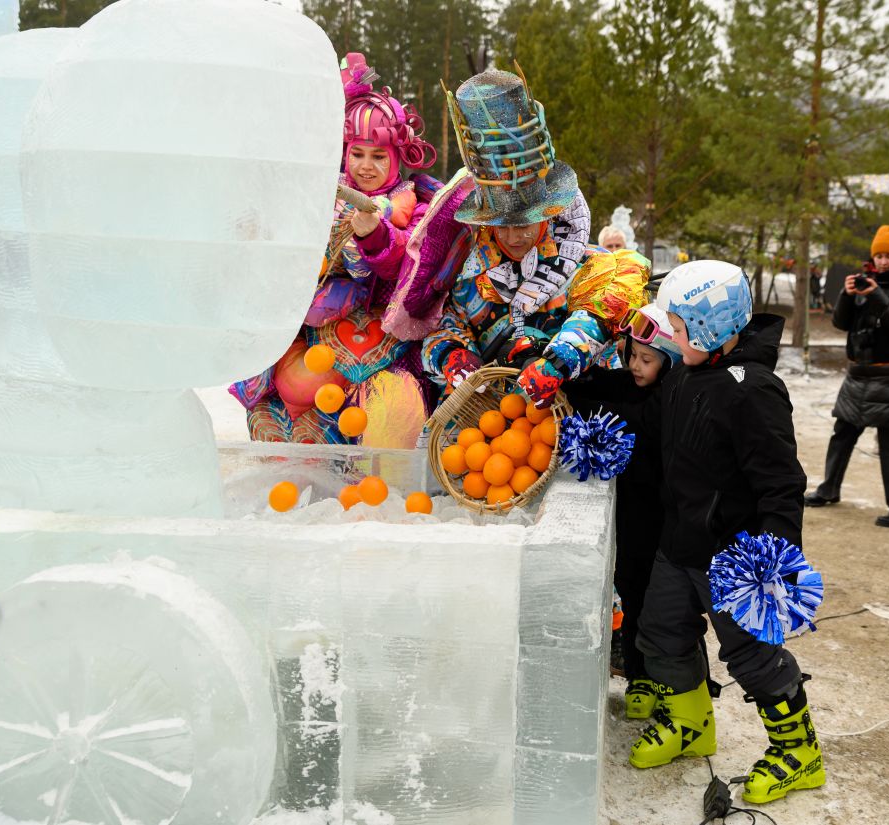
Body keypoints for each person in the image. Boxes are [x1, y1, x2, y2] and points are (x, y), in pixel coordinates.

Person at [629, 260, 823, 805]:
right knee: (660, 635)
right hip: (678, 545)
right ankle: (692, 724)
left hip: (734, 559)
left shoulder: (753, 390)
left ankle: (798, 751)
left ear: (712, 327)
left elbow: (782, 482)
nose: (672, 335)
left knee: (753, 656)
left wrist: (776, 560)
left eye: (681, 325)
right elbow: (650, 427)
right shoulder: (687, 373)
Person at [230, 53, 441, 447]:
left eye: (379, 157)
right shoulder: (316, 197)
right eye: (357, 154)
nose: (365, 166)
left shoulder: (418, 205)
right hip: (315, 333)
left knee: (390, 412)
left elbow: (407, 265)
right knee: (295, 392)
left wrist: (373, 236)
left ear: (397, 159)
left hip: (386, 342)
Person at [421, 68, 633, 408]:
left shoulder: (586, 264)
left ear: (548, 214)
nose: (515, 237)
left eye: (526, 225)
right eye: (503, 226)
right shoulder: (468, 275)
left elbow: (599, 315)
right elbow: (443, 325)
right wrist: (452, 356)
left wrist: (558, 362)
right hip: (494, 425)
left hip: (579, 420)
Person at [564, 304, 684, 719]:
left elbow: (630, 417)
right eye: (631, 354)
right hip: (634, 513)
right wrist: (570, 375)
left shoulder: (673, 395)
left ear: (671, 361)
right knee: (631, 589)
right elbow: (608, 383)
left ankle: (670, 681)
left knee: (662, 603)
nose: (634, 365)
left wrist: (579, 398)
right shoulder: (636, 380)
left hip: (665, 517)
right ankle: (638, 675)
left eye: (646, 359)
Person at [805, 225, 889, 527]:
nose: (883, 262)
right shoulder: (865, 282)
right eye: (879, 256)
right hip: (859, 373)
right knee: (843, 432)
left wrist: (877, 296)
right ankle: (828, 489)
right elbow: (841, 323)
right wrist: (847, 293)